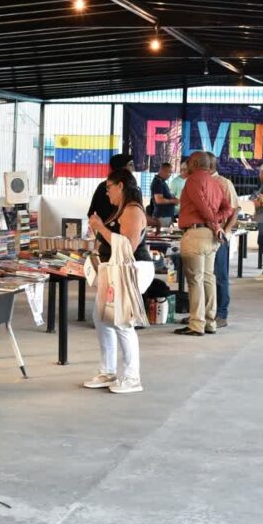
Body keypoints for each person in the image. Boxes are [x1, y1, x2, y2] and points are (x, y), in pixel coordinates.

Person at [85, 168, 152, 394]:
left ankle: (132, 377)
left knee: (122, 320)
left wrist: (100, 227)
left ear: (121, 185)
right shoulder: (120, 210)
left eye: (109, 187)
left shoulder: (132, 211)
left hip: (132, 269)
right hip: (112, 270)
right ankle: (108, 371)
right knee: (101, 318)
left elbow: (127, 247)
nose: (107, 193)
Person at [176, 151, 231, 336]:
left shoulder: (193, 180)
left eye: (189, 162)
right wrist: (217, 222)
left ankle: (196, 324)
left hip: (196, 234)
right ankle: (210, 322)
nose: (186, 166)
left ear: (195, 163)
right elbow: (228, 208)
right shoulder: (216, 183)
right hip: (210, 237)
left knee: (195, 280)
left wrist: (213, 221)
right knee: (208, 278)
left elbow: (202, 207)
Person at [210, 155, 240, 328]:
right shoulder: (196, 182)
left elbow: (234, 209)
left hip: (219, 236)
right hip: (202, 235)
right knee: (204, 277)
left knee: (220, 276)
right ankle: (204, 313)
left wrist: (225, 231)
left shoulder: (224, 183)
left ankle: (221, 314)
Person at [87, 153, 134, 223]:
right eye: (130, 164)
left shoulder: (133, 187)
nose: (133, 168)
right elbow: (92, 213)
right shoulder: (103, 187)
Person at [149, 162, 179, 227]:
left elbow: (164, 196)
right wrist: (173, 201)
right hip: (161, 217)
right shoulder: (157, 182)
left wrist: (172, 197)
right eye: (169, 172)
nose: (170, 175)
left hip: (165, 216)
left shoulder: (162, 182)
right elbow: (159, 200)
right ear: (162, 171)